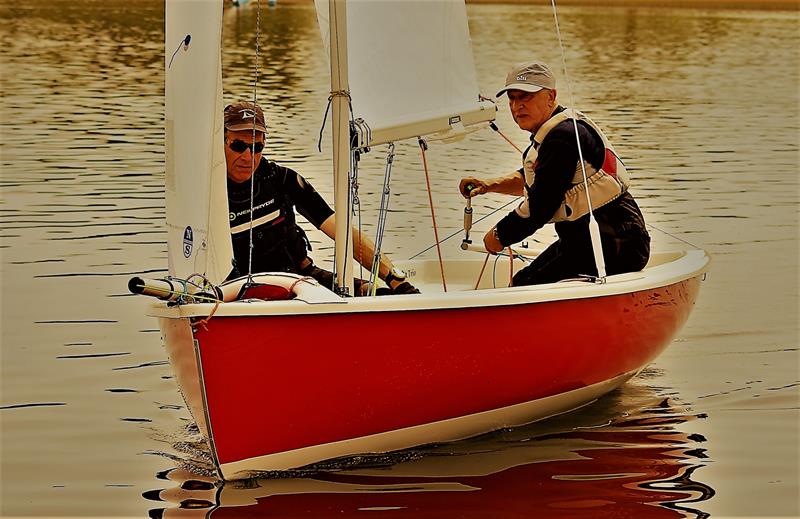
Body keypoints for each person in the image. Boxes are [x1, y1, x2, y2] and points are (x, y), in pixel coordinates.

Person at [460, 61, 650, 285]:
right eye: (512, 98)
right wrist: (489, 185)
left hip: (614, 244)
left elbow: (540, 208)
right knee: (522, 283)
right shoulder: (558, 131)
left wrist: (500, 235)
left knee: (521, 288)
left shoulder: (562, 137)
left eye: (525, 97)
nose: (516, 106)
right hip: (596, 240)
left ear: (551, 96)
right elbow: (540, 179)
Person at [223, 101, 418, 295]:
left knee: (373, 292)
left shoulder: (282, 180)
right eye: (238, 146)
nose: (248, 157)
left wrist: (393, 278)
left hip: (299, 281)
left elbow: (344, 234)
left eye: (256, 147)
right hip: (237, 292)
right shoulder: (209, 194)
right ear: (221, 142)